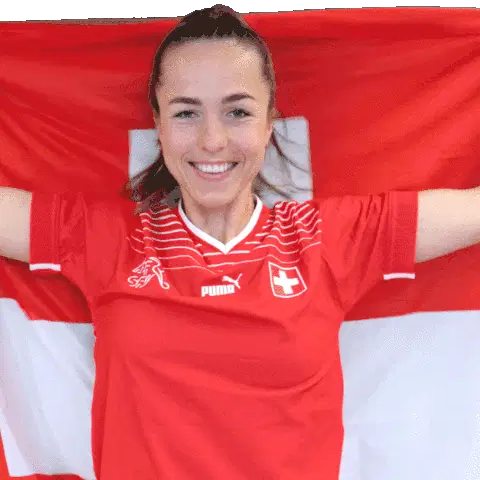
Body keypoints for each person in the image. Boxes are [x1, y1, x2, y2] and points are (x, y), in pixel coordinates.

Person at [0, 6, 479, 480]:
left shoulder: (324, 238)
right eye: (186, 113)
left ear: (268, 124)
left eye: (237, 112)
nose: (212, 140)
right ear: (158, 126)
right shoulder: (109, 241)